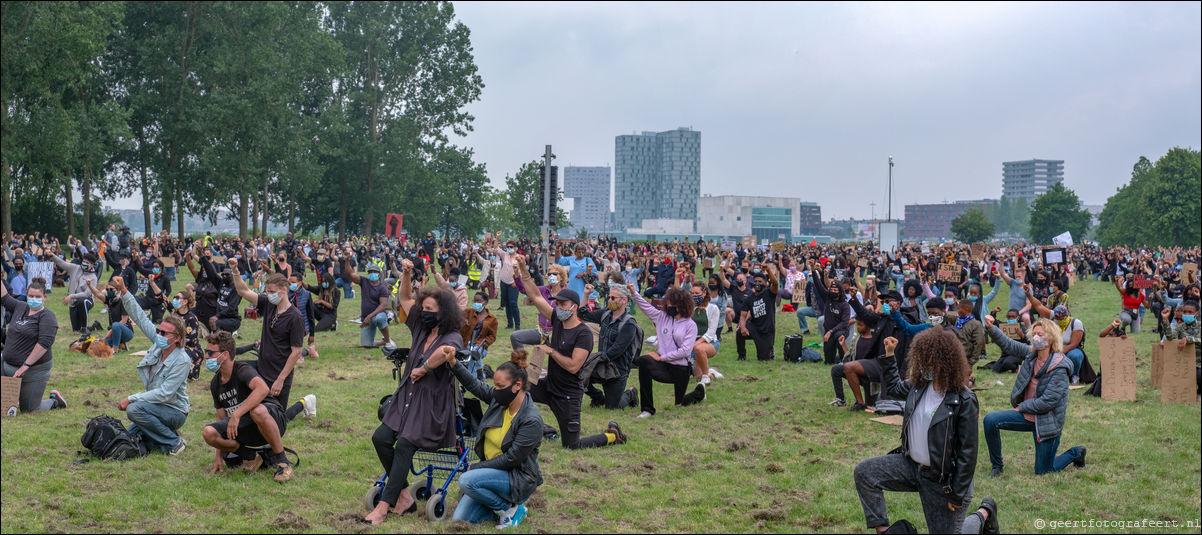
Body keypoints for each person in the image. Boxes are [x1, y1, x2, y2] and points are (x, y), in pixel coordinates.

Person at [854, 331, 996, 535]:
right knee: (865, 472)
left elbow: (968, 451)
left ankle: (984, 513)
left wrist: (957, 494)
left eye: (927, 359)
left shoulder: (964, 399)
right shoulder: (918, 387)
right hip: (911, 467)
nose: (921, 364)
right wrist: (889, 355)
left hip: (944, 480)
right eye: (920, 358)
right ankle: (885, 531)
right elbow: (893, 387)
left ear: (944, 362)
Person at [363, 258, 464, 525]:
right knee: (381, 438)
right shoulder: (420, 326)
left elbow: (446, 352)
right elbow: (406, 297)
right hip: (407, 399)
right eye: (424, 308)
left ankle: (383, 507)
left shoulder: (452, 335)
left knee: (406, 444)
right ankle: (405, 495)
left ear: (442, 313)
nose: (424, 311)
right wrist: (406, 273)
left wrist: (425, 368)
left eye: (430, 308)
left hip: (431, 408)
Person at [513, 255, 622, 449]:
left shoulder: (584, 334)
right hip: (549, 385)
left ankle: (613, 436)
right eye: (557, 304)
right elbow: (536, 297)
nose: (558, 307)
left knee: (572, 445)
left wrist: (551, 352)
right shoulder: (557, 319)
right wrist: (523, 269)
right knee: (515, 389)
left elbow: (573, 366)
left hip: (568, 394)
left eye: (562, 305)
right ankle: (531, 430)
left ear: (573, 307)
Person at [980, 317, 1086, 477]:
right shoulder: (1031, 355)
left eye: (1040, 334)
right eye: (1034, 333)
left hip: (1047, 422)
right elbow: (1008, 344)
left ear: (1050, 339)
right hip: (1026, 416)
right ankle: (997, 467)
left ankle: (1076, 452)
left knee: (1043, 470)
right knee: (990, 420)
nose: (1036, 337)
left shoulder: (1059, 366)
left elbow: (1047, 401)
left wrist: (1022, 407)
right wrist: (992, 328)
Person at [447, 352, 544, 529]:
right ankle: (495, 505)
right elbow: (474, 385)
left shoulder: (531, 420)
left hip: (516, 478)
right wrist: (454, 363)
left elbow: (511, 459)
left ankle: (509, 508)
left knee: (467, 480)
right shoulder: (501, 399)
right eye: (495, 386)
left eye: (500, 386)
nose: (495, 390)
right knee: (460, 519)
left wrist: (476, 468)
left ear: (517, 385)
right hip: (493, 472)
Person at [111, 276, 190, 455]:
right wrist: (124, 291)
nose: (159, 334)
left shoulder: (182, 360)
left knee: (134, 410)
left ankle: (174, 442)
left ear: (176, 338)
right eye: (159, 331)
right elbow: (141, 319)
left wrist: (131, 398)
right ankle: (162, 434)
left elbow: (164, 394)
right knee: (124, 438)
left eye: (164, 333)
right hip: (155, 406)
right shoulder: (159, 344)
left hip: (174, 411)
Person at [200, 331, 293, 482]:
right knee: (208, 432)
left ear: (224, 355)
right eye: (206, 352)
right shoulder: (215, 383)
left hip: (272, 419)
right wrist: (218, 457)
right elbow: (221, 418)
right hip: (247, 429)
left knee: (257, 410)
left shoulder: (242, 369)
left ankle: (283, 463)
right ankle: (251, 457)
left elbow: (262, 389)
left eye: (210, 352)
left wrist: (236, 414)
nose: (206, 357)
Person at [226, 265, 304, 412]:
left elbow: (296, 352)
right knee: (235, 370)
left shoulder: (295, 317)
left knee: (277, 419)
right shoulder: (269, 303)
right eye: (267, 291)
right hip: (261, 367)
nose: (269, 295)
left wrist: (280, 380)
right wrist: (236, 271)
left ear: (284, 290)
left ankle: (304, 403)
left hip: (278, 375)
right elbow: (243, 291)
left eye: (272, 292)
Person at [630, 286, 705, 418]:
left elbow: (685, 351)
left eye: (672, 305)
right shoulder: (662, 317)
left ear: (681, 305)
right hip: (664, 367)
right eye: (668, 304)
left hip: (681, 369)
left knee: (680, 404)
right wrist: (633, 293)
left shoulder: (690, 325)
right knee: (645, 362)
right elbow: (646, 308)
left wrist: (661, 358)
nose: (668, 307)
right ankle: (647, 410)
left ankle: (699, 393)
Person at [1, 279, 66, 412]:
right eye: (31, 296)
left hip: (33, 370)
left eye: (37, 297)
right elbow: (5, 298)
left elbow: (43, 344)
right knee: (6, 406)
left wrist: (25, 366)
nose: (33, 299)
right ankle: (13, 394)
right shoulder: (21, 307)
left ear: (44, 297)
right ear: (26, 295)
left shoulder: (47, 316)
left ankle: (55, 401)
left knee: (30, 409)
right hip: (7, 365)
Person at [577, 279, 640, 410]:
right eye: (609, 297)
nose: (609, 300)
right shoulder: (605, 314)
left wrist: (595, 359)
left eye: (613, 298)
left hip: (617, 369)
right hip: (602, 362)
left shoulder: (629, 324)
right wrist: (586, 294)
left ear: (624, 300)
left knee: (612, 407)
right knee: (578, 375)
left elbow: (617, 349)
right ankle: (597, 396)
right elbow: (582, 314)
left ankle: (631, 393)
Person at [509, 263, 567, 350]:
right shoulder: (543, 290)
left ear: (562, 277)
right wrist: (517, 274)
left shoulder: (567, 294)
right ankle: (520, 361)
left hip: (558, 334)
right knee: (515, 336)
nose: (551, 276)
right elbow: (525, 289)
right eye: (549, 274)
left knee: (557, 358)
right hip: (541, 332)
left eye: (555, 274)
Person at [831, 315, 883, 411]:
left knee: (871, 404)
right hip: (854, 373)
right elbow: (850, 361)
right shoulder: (857, 339)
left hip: (870, 378)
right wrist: (843, 345)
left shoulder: (875, 340)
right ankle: (841, 399)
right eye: (857, 325)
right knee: (836, 369)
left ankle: (868, 401)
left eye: (860, 325)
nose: (858, 327)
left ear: (868, 326)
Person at [346, 260, 394, 349]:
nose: (372, 274)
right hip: (366, 318)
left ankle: (387, 341)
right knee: (367, 346)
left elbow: (383, 305)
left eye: (374, 272)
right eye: (370, 272)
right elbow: (350, 275)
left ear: (379, 274)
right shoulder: (364, 282)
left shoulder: (382, 288)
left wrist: (370, 316)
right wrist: (347, 260)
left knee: (380, 318)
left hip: (377, 315)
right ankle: (382, 342)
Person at [738, 266, 780, 361]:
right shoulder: (749, 299)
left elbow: (775, 283)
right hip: (754, 327)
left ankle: (769, 350)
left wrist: (768, 270)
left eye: (760, 282)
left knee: (763, 359)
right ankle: (741, 356)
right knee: (739, 332)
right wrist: (743, 327)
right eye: (755, 281)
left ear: (766, 283)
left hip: (767, 330)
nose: (757, 283)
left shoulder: (769, 293)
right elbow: (743, 315)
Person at [50, 252, 98, 333]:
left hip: (87, 301)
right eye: (83, 261)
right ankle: (94, 327)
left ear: (92, 265)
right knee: (76, 330)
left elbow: (87, 294)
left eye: (87, 263)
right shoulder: (75, 268)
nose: (84, 264)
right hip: (73, 303)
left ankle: (84, 328)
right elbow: (62, 263)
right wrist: (52, 256)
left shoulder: (93, 277)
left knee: (82, 301)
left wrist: (71, 296)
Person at [1160, 300, 1200, 400]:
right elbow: (1170, 337)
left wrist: (1189, 339)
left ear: (1196, 314)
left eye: (1190, 312)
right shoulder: (1180, 327)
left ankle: (1199, 392)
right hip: (1184, 362)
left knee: (1199, 375)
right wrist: (1165, 321)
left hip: (1199, 363)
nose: (1187, 314)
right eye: (1185, 312)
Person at [163, 287, 203, 380]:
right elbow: (163, 299)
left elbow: (190, 340)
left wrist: (172, 341)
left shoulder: (192, 318)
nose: (174, 300)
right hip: (176, 345)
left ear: (185, 302)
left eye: (177, 298)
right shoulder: (174, 314)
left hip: (190, 349)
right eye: (174, 297)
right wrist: (152, 283)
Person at [461, 291, 498, 379]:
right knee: (470, 352)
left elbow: (492, 337)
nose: (476, 303)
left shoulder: (492, 319)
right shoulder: (468, 312)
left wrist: (482, 344)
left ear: (485, 302)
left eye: (478, 301)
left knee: (473, 353)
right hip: (466, 344)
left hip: (480, 347)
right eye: (474, 301)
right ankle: (482, 374)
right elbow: (457, 322)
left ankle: (472, 380)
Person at [690, 281, 721, 384]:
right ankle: (710, 373)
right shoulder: (691, 309)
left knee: (698, 348)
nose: (694, 296)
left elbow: (711, 332)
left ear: (704, 293)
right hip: (692, 343)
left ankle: (706, 376)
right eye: (692, 293)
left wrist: (697, 343)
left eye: (697, 293)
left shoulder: (713, 308)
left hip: (709, 342)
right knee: (696, 377)